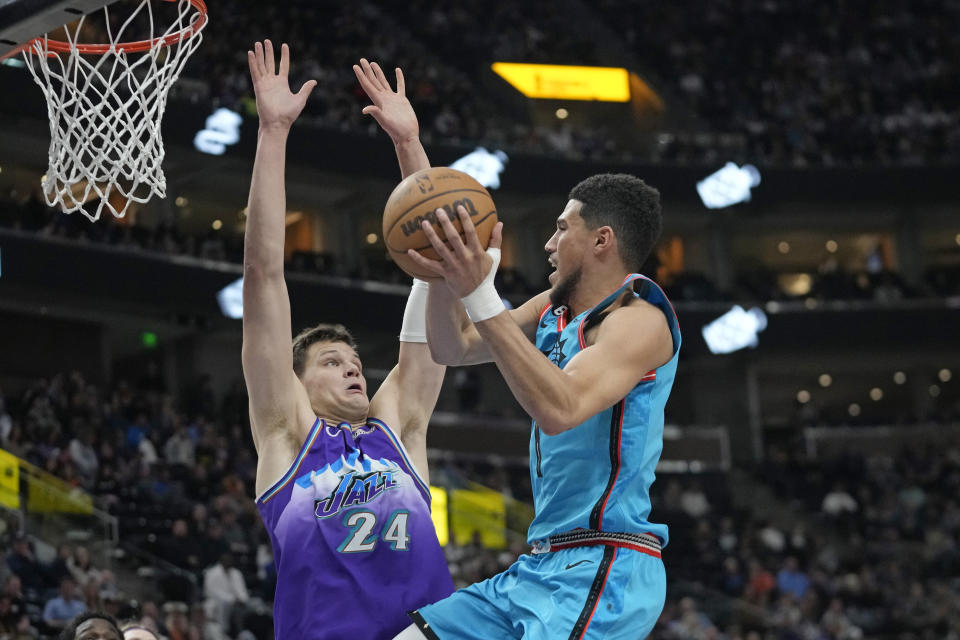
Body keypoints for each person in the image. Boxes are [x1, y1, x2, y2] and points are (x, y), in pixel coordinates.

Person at [396, 170, 680, 638]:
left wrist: (478, 290)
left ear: (601, 240)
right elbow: (454, 347)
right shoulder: (554, 308)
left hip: (604, 565)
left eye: (563, 228)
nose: (549, 243)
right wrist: (441, 272)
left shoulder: (639, 320)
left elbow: (560, 410)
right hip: (538, 565)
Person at [243, 41, 453, 639]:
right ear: (297, 385)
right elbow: (263, 278)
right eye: (332, 362)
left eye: (355, 361)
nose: (354, 369)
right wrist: (274, 132)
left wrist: (409, 144)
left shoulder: (398, 430)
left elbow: (437, 273)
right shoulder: (288, 434)